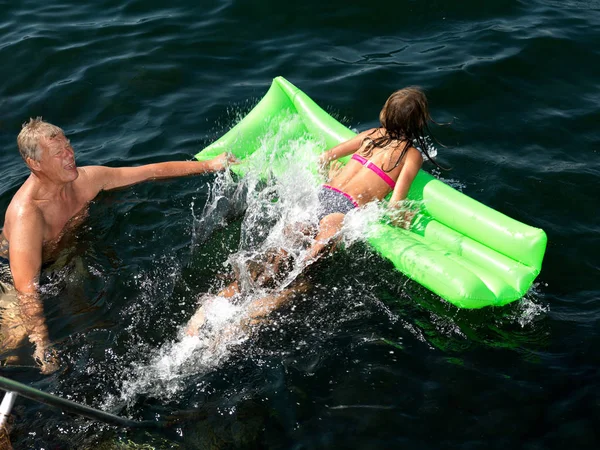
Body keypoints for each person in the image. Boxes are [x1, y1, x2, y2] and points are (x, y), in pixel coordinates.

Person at [187, 86, 440, 333]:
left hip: (320, 196)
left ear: (386, 113)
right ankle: (241, 322)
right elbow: (395, 204)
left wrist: (330, 176)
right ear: (419, 122)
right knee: (303, 279)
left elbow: (325, 157)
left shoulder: (371, 135)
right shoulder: (411, 155)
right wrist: (403, 218)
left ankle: (210, 308)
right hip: (342, 210)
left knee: (273, 261)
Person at [0, 117, 237, 373]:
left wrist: (210, 165)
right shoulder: (28, 216)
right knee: (13, 350)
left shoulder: (84, 180)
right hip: (12, 276)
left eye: (68, 146)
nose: (70, 155)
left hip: (66, 256)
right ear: (35, 164)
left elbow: (148, 172)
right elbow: (26, 289)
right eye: (59, 153)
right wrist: (41, 345)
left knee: (92, 321)